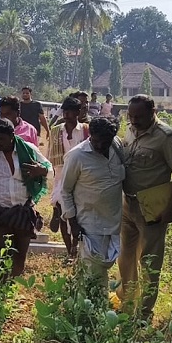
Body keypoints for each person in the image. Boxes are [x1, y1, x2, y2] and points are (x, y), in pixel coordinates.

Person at [117, 94, 172, 322]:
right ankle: (128, 304)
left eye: (139, 116)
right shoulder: (130, 131)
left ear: (152, 113)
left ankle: (144, 313)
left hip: (152, 209)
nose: (134, 120)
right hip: (128, 204)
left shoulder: (166, 137)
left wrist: (170, 209)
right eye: (131, 116)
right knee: (125, 258)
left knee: (149, 261)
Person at [60, 117, 126, 304]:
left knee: (102, 268)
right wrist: (73, 224)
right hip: (89, 223)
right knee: (93, 272)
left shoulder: (116, 147)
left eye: (104, 141)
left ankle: (92, 308)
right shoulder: (77, 156)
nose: (99, 145)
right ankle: (92, 310)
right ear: (90, 136)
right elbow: (65, 191)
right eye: (95, 140)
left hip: (114, 222)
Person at [0, 120, 50, 282]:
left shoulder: (28, 150)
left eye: (1, 139)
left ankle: (12, 289)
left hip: (22, 211)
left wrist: (42, 170)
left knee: (19, 259)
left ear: (12, 136)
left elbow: (50, 168)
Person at [47, 97, 90, 262]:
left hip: (81, 179)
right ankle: (69, 252)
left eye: (70, 111)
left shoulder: (86, 130)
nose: (67, 115)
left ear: (78, 112)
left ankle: (75, 248)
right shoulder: (56, 131)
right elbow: (51, 155)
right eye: (64, 111)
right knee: (63, 214)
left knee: (77, 216)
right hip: (61, 176)